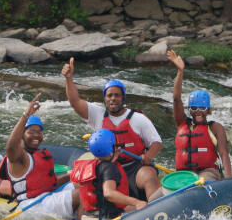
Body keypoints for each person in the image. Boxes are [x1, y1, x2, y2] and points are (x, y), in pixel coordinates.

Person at [62, 57, 164, 202]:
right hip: (108, 167)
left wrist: (149, 156)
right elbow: (75, 101)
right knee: (87, 185)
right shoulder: (97, 114)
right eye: (109, 95)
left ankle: (157, 209)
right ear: (105, 99)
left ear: (123, 98)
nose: (113, 98)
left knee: (148, 174)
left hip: (135, 167)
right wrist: (68, 78)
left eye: (117, 95)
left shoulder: (138, 118)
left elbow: (156, 143)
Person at [0, 93, 81, 220]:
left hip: (46, 198)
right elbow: (10, 147)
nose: (36, 135)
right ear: (22, 135)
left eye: (39, 132)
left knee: (86, 184)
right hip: (31, 207)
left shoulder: (40, 155)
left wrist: (71, 176)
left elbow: (46, 185)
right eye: (31, 132)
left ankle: (87, 216)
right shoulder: (18, 157)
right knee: (82, 194)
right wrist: (26, 115)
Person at [167, 50, 232, 180]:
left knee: (203, 181)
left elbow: (224, 154)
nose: (198, 111)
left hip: (209, 173)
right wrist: (180, 72)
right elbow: (176, 99)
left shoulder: (215, 128)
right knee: (155, 198)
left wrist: (229, 179)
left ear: (208, 110)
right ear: (189, 110)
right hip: (184, 176)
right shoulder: (182, 123)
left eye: (202, 108)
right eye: (194, 108)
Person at [71, 128, 147, 220]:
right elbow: (109, 194)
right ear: (112, 148)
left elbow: (87, 183)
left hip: (87, 219)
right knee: (144, 207)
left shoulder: (92, 166)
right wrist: (137, 202)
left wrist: (111, 160)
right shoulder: (110, 168)